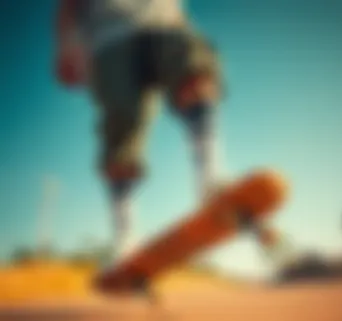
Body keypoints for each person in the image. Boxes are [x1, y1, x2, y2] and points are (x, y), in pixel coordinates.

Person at [55, 0, 223, 259]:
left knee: (193, 66)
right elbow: (69, 5)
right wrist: (66, 45)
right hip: (109, 39)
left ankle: (212, 180)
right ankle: (126, 236)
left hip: (164, 23)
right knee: (122, 121)